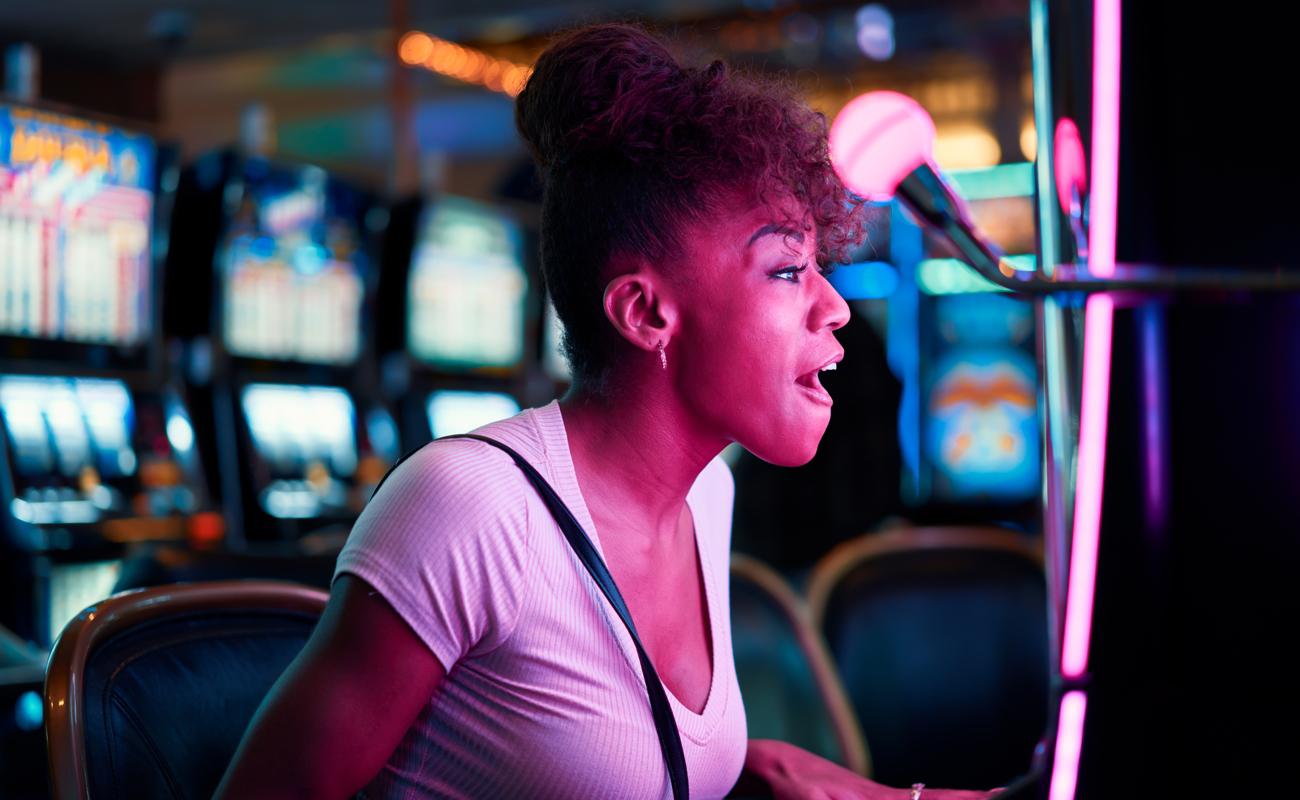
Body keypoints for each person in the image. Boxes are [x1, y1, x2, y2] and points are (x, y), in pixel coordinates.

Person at [216, 23, 1000, 800]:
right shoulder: (472, 508)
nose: (834, 308)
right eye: (788, 271)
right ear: (644, 313)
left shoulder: (705, 496)